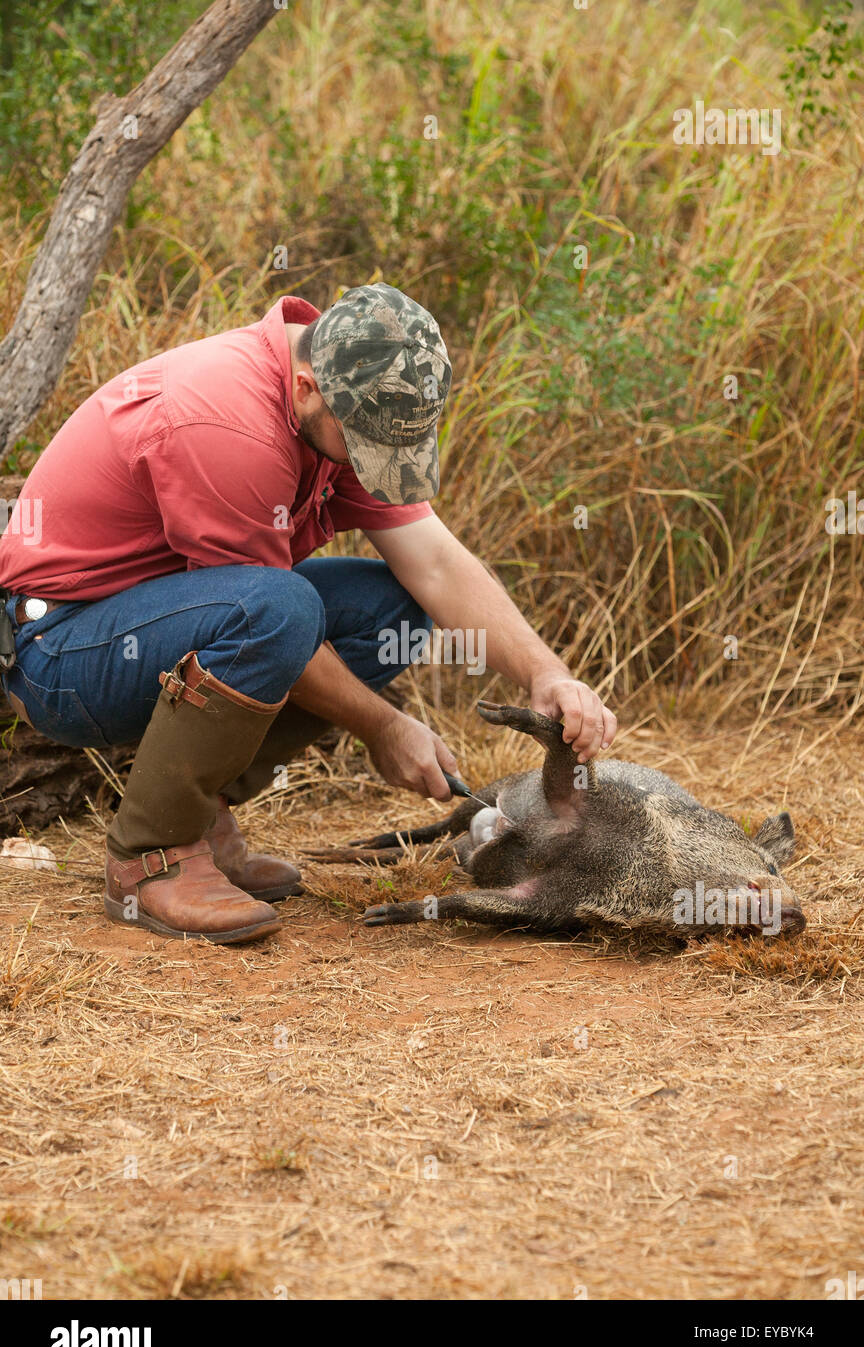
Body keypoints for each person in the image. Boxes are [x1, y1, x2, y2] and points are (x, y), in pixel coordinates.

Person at [0, 283, 617, 943]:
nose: (373, 460)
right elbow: (267, 620)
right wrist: (384, 727)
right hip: (61, 649)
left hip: (159, 619)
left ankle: (200, 813)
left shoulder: (349, 403)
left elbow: (436, 564)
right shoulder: (226, 421)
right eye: (365, 444)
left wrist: (545, 674)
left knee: (395, 611)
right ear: (305, 387)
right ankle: (151, 857)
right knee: (282, 606)